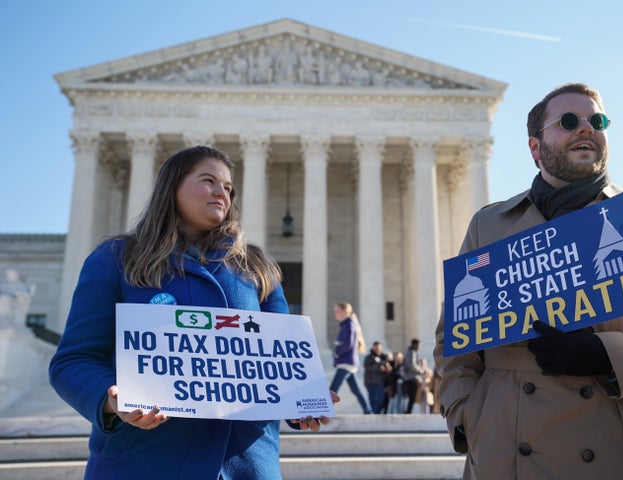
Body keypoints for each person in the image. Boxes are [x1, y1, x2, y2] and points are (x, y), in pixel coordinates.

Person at [433, 83, 623, 479]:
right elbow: (454, 341)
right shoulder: (489, 226)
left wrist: (610, 354)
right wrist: (466, 413)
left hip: (618, 450)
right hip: (507, 452)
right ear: (535, 148)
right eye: (569, 122)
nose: (586, 128)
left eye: (597, 121)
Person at [49, 146, 335, 480]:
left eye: (228, 188)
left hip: (244, 467)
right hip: (146, 463)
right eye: (208, 180)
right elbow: (73, 361)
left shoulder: (257, 268)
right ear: (172, 188)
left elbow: (281, 364)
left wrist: (302, 398)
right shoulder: (118, 259)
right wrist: (110, 398)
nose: (221, 193)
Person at [330, 302, 372, 414]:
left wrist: (337, 353)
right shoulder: (348, 324)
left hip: (345, 362)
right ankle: (368, 411)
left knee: (333, 390)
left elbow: (348, 343)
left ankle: (324, 412)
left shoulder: (349, 324)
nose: (336, 314)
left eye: (338, 311)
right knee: (356, 390)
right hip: (349, 362)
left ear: (345, 311)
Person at [363, 341, 392, 414]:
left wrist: (387, 368)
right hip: (371, 383)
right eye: (376, 348)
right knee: (373, 400)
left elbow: (387, 368)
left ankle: (376, 415)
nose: (377, 350)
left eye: (379, 348)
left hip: (381, 383)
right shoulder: (369, 358)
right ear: (373, 348)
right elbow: (367, 367)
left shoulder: (383, 358)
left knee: (380, 401)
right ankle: (372, 415)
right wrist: (380, 368)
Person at [402, 338, 424, 414]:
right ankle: (408, 412)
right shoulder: (411, 352)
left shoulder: (410, 352)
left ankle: (408, 411)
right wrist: (420, 370)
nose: (419, 347)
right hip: (411, 378)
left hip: (410, 378)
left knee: (412, 397)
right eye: (419, 345)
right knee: (412, 396)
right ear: (415, 345)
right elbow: (412, 365)